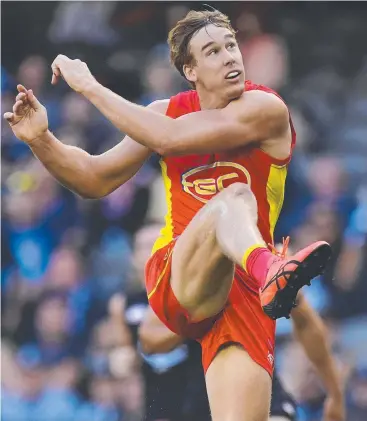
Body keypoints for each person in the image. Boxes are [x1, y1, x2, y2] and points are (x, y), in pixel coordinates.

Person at [4, 9, 333, 421]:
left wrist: (89, 86)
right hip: (179, 278)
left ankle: (267, 272)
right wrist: (42, 141)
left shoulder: (265, 107)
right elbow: (93, 179)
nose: (230, 56)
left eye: (231, 45)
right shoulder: (164, 112)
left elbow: (170, 139)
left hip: (244, 292)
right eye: (213, 51)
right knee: (234, 198)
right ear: (190, 70)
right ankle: (270, 266)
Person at [139, 293, 345, 421]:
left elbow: (307, 324)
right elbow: (150, 340)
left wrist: (335, 394)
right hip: (201, 405)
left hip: (268, 400)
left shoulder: (275, 260)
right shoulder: (186, 273)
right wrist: (202, 311)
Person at [108, 222, 210, 421]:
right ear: (133, 257)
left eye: (160, 243)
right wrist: (121, 360)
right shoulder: (122, 304)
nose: (154, 250)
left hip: (199, 396)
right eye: (145, 245)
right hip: (157, 402)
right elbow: (124, 351)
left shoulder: (194, 295)